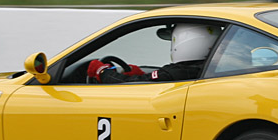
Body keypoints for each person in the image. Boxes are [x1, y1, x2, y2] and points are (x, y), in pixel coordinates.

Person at [87, 24, 220, 83]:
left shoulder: (174, 73)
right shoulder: (213, 69)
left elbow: (128, 84)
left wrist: (103, 72)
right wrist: (140, 74)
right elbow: (148, 80)